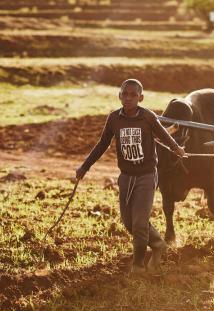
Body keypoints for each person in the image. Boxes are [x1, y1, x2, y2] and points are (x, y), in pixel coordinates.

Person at [76, 79, 185, 274]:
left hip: (146, 176)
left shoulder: (148, 117)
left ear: (140, 98)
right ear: (119, 95)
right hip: (126, 177)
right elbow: (102, 144)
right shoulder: (114, 119)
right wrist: (85, 166)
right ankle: (158, 243)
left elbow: (163, 135)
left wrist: (176, 148)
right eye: (124, 94)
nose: (128, 98)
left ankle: (138, 266)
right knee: (129, 222)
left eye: (133, 95)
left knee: (140, 223)